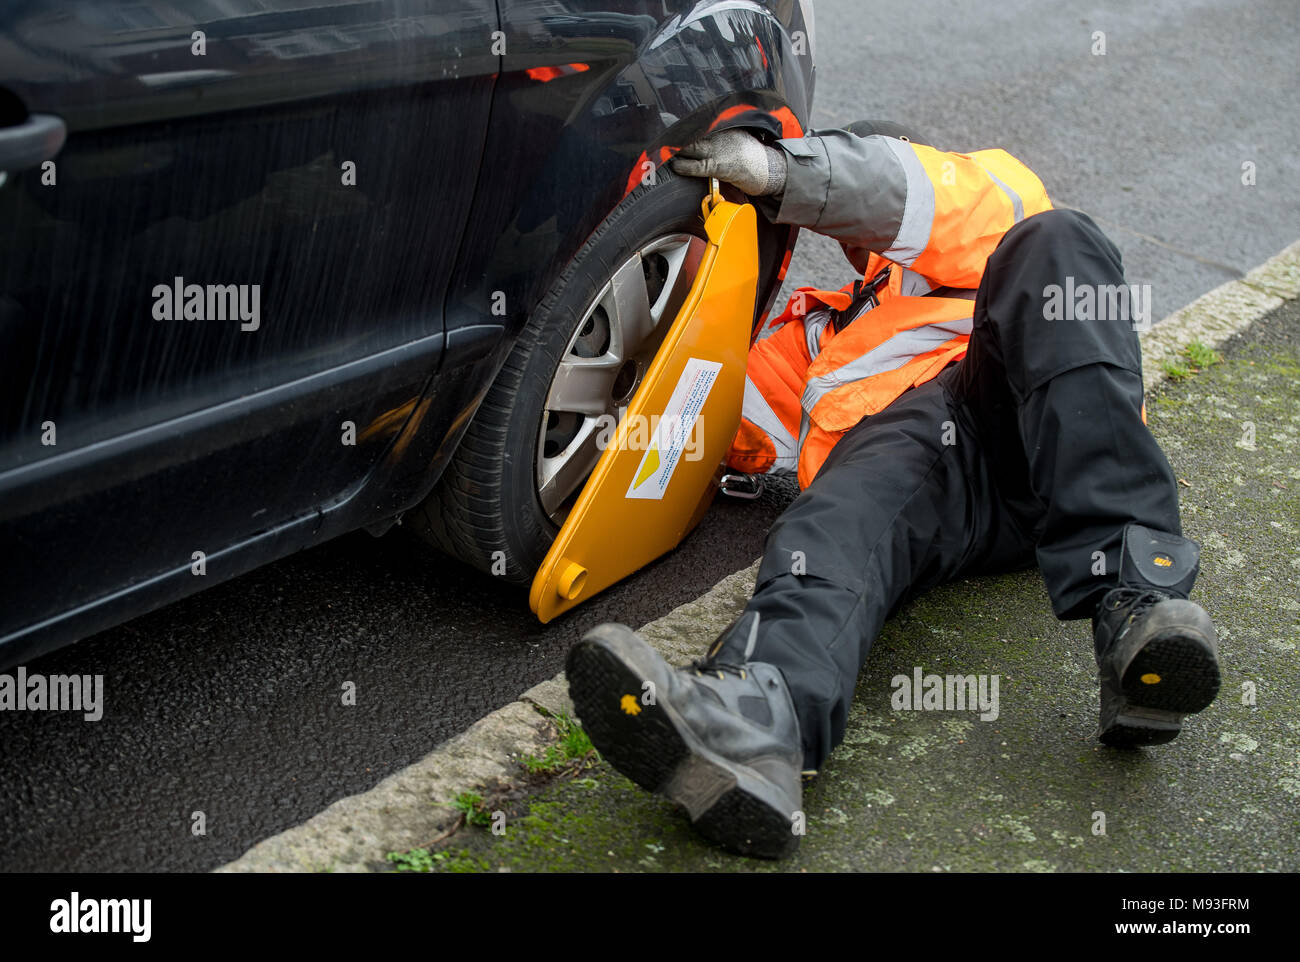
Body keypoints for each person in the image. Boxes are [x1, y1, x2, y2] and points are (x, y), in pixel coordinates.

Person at [564, 123, 1222, 859]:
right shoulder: (821, 328)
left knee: (1060, 244)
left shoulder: (993, 208)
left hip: (1029, 430)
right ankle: (757, 720)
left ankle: (1138, 602)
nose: (856, 238)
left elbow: (913, 190)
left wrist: (784, 172)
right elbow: (707, 413)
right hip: (921, 478)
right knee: (835, 519)